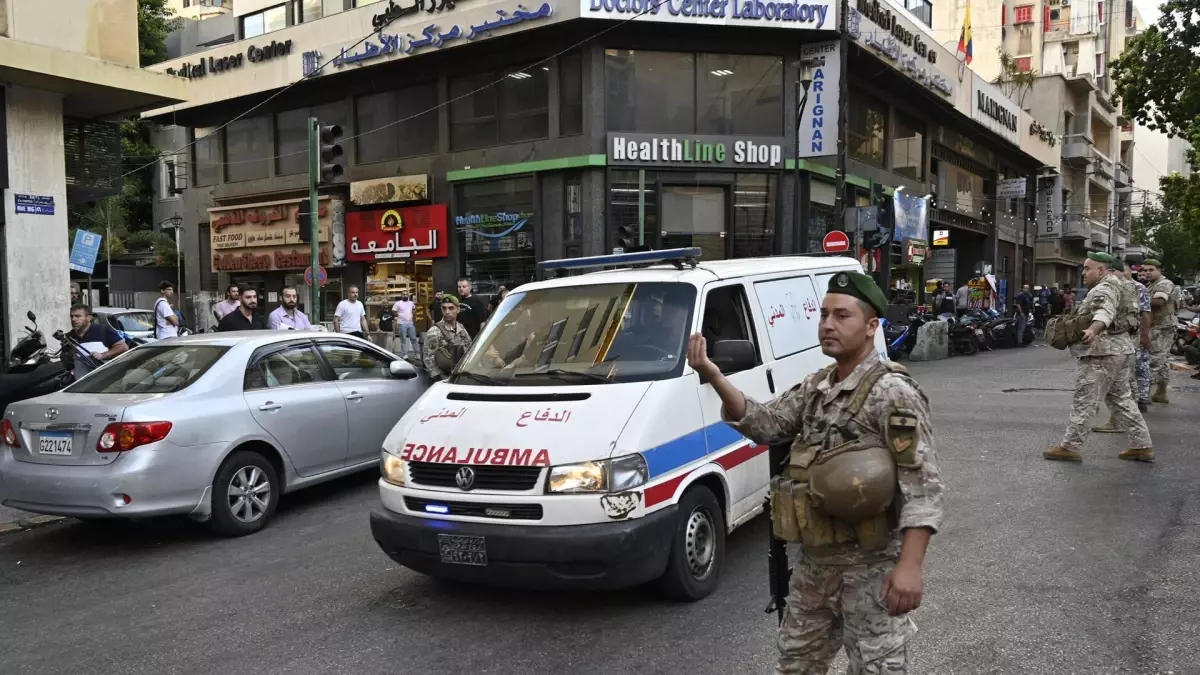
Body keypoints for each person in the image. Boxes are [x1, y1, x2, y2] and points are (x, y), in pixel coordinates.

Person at [687, 271, 943, 674]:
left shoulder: (893, 392)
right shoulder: (817, 387)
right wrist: (715, 376)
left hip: (871, 568)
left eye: (842, 315)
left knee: (877, 669)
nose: (827, 324)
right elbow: (767, 424)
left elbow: (922, 487)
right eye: (824, 314)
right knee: (796, 665)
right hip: (814, 566)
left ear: (872, 326)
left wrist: (910, 567)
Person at [1043, 252, 1153, 463]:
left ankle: (1070, 447)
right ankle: (1142, 445)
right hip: (1121, 349)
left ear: (1101, 270)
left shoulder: (1105, 288)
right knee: (1121, 399)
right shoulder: (1124, 285)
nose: (1083, 273)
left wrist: (1093, 330)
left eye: (1087, 268)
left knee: (1085, 399)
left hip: (1101, 352)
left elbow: (1105, 311)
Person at [1093, 261, 1151, 426]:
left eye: (1117, 271)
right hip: (1121, 338)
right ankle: (1128, 420)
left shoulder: (1136, 288)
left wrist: (1145, 336)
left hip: (1128, 337)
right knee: (1124, 380)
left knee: (1123, 381)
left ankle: (1122, 419)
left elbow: (1145, 313)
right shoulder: (1114, 287)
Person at [1141, 259, 1178, 404]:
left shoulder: (1164, 283)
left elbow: (1158, 302)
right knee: (1161, 361)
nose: (1147, 273)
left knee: (1152, 360)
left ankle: (1143, 394)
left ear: (1159, 270)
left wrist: (1136, 300)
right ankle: (1161, 392)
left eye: (1151, 270)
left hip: (1163, 328)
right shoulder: (1152, 285)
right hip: (1157, 326)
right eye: (1145, 270)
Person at [67, 304, 128, 377]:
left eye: (78, 316)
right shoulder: (69, 336)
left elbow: (123, 347)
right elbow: (66, 358)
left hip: (106, 380)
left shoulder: (103, 330)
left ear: (89, 318)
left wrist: (103, 355)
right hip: (81, 383)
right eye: (71, 316)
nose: (73, 319)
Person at [422, 293, 472, 381]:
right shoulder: (434, 331)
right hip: (445, 378)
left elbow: (470, 348)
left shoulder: (462, 329)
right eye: (444, 308)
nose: (447, 312)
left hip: (462, 376)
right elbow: (428, 358)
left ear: (458, 309)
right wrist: (440, 378)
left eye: (451, 308)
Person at [392, 293, 418, 359]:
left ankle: (417, 354)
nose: (405, 295)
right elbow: (393, 311)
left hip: (410, 323)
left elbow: (414, 308)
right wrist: (399, 315)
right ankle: (404, 354)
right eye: (404, 294)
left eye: (406, 294)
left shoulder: (411, 303)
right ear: (401, 296)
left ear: (408, 295)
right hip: (402, 323)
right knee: (403, 339)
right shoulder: (398, 303)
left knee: (414, 338)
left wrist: (412, 313)